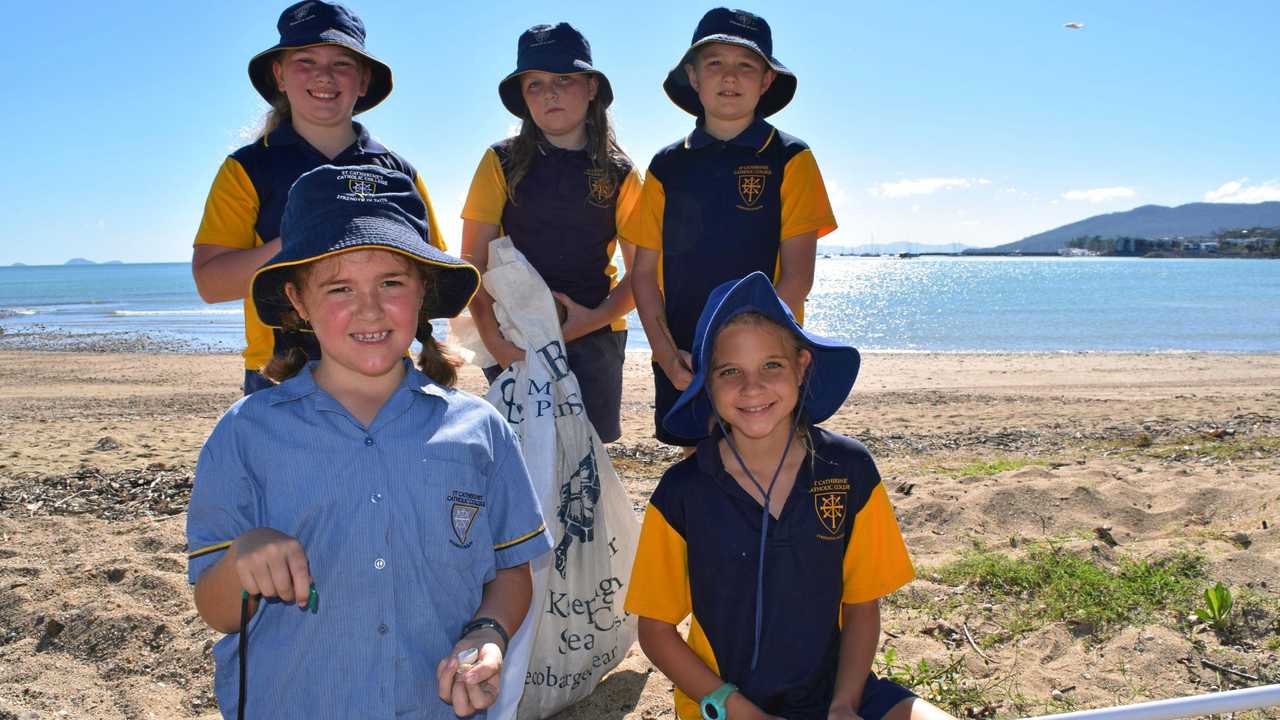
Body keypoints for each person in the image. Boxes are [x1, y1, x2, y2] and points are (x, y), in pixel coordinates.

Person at [186, 164, 552, 719]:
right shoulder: (245, 433)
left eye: (391, 283)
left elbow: (511, 571)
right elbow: (215, 608)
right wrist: (242, 560)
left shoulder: (481, 430)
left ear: (423, 291)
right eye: (338, 288)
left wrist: (487, 634)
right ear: (298, 301)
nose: (370, 308)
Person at [625, 272, 953, 720]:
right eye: (730, 372)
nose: (752, 387)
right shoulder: (682, 493)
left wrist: (843, 705)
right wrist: (739, 709)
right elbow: (657, 632)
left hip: (840, 693)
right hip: (730, 706)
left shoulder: (849, 469)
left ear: (801, 367)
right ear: (709, 385)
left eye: (771, 366)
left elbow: (861, 605)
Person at [191, 0, 447, 395]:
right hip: (282, 377)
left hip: (382, 366)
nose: (324, 75)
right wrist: (308, 237)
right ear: (279, 75)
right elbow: (211, 284)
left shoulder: (397, 171)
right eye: (306, 61)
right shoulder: (248, 169)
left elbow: (436, 277)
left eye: (342, 63)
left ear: (362, 80)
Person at [623, 7, 837, 448]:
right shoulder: (667, 166)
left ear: (766, 80)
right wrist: (666, 355)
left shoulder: (790, 158)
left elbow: (798, 276)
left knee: (770, 461)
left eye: (746, 65)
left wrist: (749, 356)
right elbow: (643, 274)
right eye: (715, 63)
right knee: (698, 468)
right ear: (693, 76)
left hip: (766, 361)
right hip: (686, 355)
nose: (730, 76)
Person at [461, 22, 641, 443]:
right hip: (513, 338)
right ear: (522, 98)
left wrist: (590, 320)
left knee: (587, 464)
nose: (550, 93)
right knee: (522, 460)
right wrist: (495, 341)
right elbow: (471, 262)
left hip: (594, 337)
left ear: (592, 87)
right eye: (535, 84)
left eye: (564, 79)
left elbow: (643, 274)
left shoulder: (621, 172)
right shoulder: (499, 162)